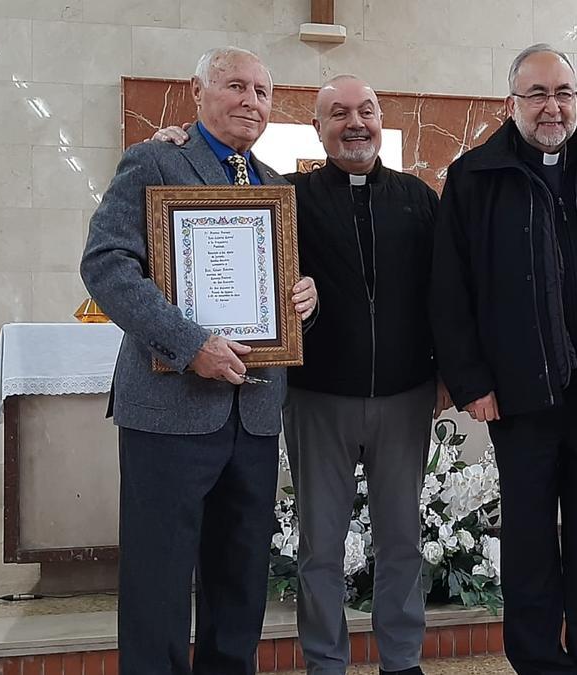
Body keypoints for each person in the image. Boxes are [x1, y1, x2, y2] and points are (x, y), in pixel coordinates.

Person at [153, 74, 447, 675]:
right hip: (317, 400)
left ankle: (402, 660)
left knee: (402, 541)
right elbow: (221, 202)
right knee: (320, 547)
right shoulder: (285, 197)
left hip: (405, 396)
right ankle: (325, 661)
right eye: (339, 113)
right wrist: (175, 145)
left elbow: (444, 294)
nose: (356, 123)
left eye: (366, 110)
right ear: (318, 128)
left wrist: (447, 374)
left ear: (381, 119)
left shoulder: (418, 198)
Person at [80, 46, 318, 675]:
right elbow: (106, 264)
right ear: (198, 91)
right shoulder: (155, 160)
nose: (251, 101)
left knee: (239, 584)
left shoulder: (274, 188)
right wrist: (192, 346)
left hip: (255, 415)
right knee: (158, 584)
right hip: (169, 413)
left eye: (263, 92)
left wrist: (303, 300)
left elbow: (276, 298)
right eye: (236, 85)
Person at [430, 43, 577, 675]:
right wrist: (472, 381)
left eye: (562, 93)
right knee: (530, 545)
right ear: (512, 103)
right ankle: (537, 664)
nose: (551, 107)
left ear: (576, 100)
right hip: (521, 398)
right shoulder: (475, 176)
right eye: (537, 94)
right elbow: (450, 291)